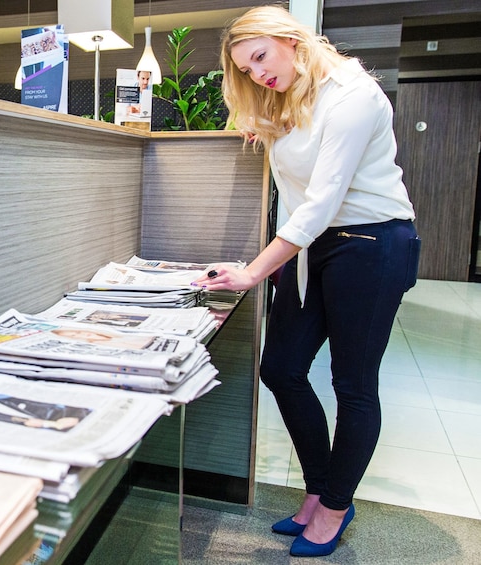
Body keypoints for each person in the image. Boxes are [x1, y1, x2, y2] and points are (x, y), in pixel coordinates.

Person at [195, 5, 420, 558]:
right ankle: (319, 489)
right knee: (282, 369)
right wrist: (260, 126)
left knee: (353, 384)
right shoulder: (292, 97)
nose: (258, 75)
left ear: (288, 38)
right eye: (247, 71)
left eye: (260, 58)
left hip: (372, 243)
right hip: (316, 248)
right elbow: (302, 182)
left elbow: (321, 202)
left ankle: (336, 505)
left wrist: (252, 272)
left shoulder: (352, 94)